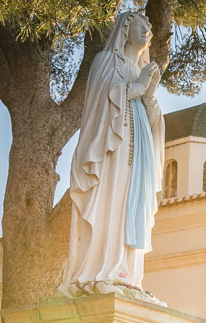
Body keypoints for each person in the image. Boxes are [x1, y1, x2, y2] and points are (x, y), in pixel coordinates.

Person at [60, 10, 164, 298]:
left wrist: (150, 95)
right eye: (142, 28)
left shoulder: (141, 71)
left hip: (140, 149)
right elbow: (101, 99)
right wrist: (138, 87)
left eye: (150, 32)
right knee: (112, 200)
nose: (148, 35)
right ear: (125, 29)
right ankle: (102, 269)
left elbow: (155, 121)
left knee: (134, 205)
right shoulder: (106, 61)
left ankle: (127, 272)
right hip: (111, 147)